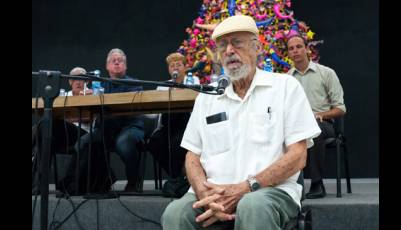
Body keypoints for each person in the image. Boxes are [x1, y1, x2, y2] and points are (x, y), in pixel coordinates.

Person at [161, 15, 321, 229]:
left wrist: (246, 187)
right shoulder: (207, 98)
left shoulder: (285, 87)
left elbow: (298, 156)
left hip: (267, 191)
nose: (228, 51)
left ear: (257, 47)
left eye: (236, 42)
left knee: (252, 206)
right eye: (222, 45)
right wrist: (202, 191)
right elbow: (192, 155)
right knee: (175, 214)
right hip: (213, 194)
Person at [60, 49, 145, 194]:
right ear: (107, 67)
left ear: (125, 66)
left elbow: (126, 109)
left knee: (123, 144)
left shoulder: (135, 84)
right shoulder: (99, 86)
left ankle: (133, 182)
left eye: (120, 60)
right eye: (113, 61)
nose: (117, 62)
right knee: (84, 142)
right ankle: (82, 183)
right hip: (107, 129)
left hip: (129, 127)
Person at [287, 35, 346, 199]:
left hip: (323, 124)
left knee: (314, 128)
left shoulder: (326, 73)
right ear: (289, 54)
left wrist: (320, 115)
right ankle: (287, 186)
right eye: (291, 49)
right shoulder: (287, 79)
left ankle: (316, 183)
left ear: (307, 49)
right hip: (296, 126)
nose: (295, 51)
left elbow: (340, 108)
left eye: (299, 46)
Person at [32, 67, 92, 193]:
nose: (78, 82)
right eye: (74, 78)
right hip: (63, 135)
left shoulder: (94, 94)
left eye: (82, 78)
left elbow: (91, 119)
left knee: (45, 126)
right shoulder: (63, 96)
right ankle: (41, 184)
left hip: (83, 134)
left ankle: (39, 182)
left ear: (87, 81)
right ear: (69, 82)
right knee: (45, 134)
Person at [147, 52, 196, 197]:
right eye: (172, 66)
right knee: (154, 143)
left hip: (187, 126)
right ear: (169, 70)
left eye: (179, 65)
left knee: (177, 143)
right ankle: (177, 176)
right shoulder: (163, 87)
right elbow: (153, 114)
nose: (175, 68)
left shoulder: (194, 82)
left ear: (185, 67)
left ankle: (179, 178)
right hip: (167, 126)